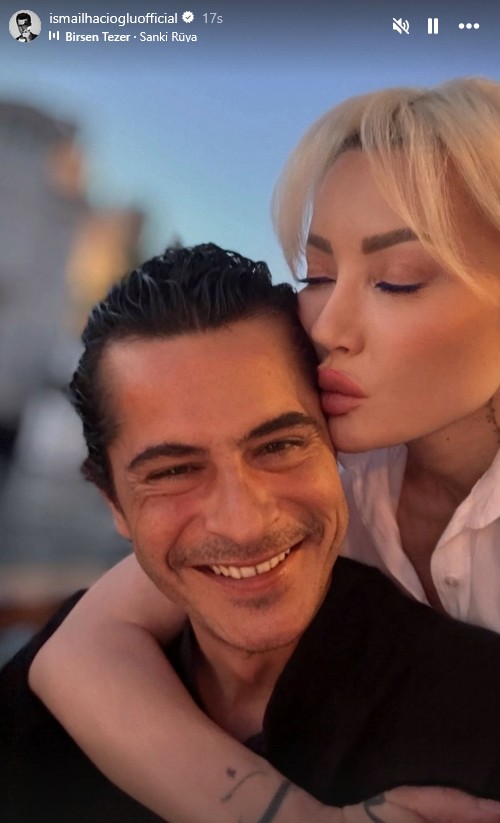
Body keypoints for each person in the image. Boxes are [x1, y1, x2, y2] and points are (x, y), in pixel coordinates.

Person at [29, 76, 500, 817]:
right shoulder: (332, 467)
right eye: (318, 275)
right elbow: (82, 652)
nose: (327, 326)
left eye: (398, 280)